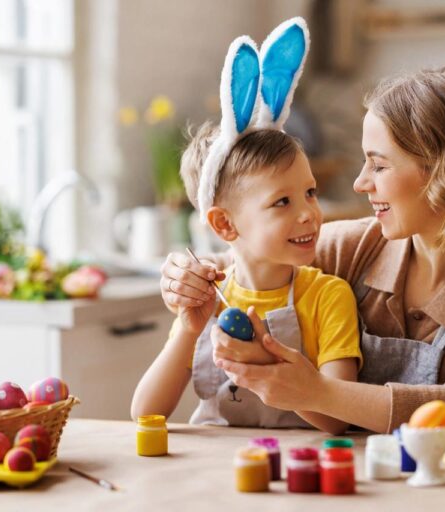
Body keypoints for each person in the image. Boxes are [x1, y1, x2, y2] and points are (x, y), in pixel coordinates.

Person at [161, 64, 445, 434]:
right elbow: (247, 262)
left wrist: (316, 392)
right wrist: (188, 274)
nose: (360, 183)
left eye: (379, 165)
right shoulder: (353, 248)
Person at [131, 18, 361, 434]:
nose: (308, 212)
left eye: (310, 193)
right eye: (282, 202)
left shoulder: (328, 296)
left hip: (298, 471)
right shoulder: (208, 302)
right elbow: (146, 412)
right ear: (224, 225)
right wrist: (188, 329)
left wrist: (266, 368)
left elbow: (339, 419)